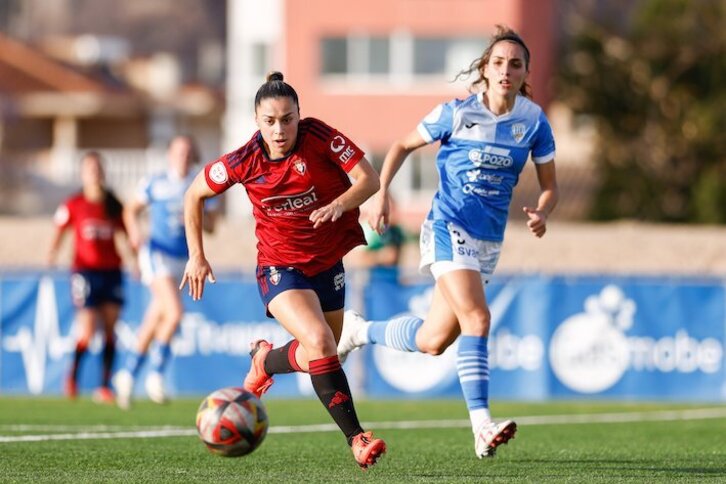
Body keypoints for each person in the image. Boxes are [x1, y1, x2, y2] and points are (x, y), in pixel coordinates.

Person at [337, 25, 559, 459]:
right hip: (447, 226)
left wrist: (543, 212)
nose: (506, 71)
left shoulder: (533, 121)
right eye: (499, 63)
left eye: (515, 64)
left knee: (433, 340)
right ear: (485, 69)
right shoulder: (456, 113)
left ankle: (358, 330)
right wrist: (382, 195)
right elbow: (400, 146)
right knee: (478, 318)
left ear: (526, 73)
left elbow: (550, 186)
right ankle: (481, 426)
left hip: (488, 242)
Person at [180, 71, 387, 470]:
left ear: (299, 115)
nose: (280, 130)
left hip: (328, 262)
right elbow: (194, 194)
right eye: (270, 121)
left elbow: (369, 179)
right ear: (257, 121)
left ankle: (265, 361)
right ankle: (357, 438)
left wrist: (339, 204)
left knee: (323, 352)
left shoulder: (320, 137)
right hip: (280, 266)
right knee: (320, 342)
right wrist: (196, 255)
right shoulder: (243, 161)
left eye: (288, 119)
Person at [113, 135, 217, 409]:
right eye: (178, 151)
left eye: (188, 152)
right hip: (157, 253)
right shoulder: (155, 182)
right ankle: (156, 375)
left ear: (193, 155)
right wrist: (134, 233)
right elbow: (130, 210)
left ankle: (127, 374)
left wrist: (196, 214)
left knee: (155, 317)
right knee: (174, 313)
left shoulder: (200, 183)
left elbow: (211, 227)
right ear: (170, 154)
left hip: (185, 259)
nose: (183, 156)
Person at [47, 151, 135, 403]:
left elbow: (127, 234)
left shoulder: (113, 204)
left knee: (110, 329)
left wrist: (135, 258)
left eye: (98, 169)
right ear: (83, 174)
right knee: (86, 331)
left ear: (103, 172)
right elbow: (60, 229)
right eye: (90, 169)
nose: (94, 173)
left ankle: (104, 385)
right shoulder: (73, 203)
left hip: (112, 272)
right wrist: (52, 253)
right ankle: (72, 378)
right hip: (84, 272)